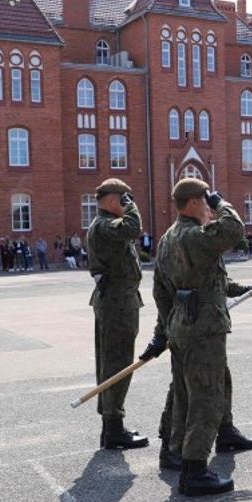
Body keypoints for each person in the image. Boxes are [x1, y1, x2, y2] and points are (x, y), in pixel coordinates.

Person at [152, 180, 252, 496]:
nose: (210, 209)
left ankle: (179, 455)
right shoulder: (194, 236)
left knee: (185, 396)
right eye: (206, 202)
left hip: (181, 324)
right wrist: (222, 202)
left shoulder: (168, 238)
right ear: (195, 202)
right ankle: (195, 470)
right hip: (204, 327)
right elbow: (234, 230)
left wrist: (163, 332)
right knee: (206, 396)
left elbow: (163, 291)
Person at [85, 178, 148, 450]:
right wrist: (131, 207)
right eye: (124, 199)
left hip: (118, 300)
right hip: (116, 303)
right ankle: (113, 427)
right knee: (116, 363)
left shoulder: (106, 225)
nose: (128, 204)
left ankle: (112, 426)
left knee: (114, 361)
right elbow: (134, 228)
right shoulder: (105, 225)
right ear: (113, 200)